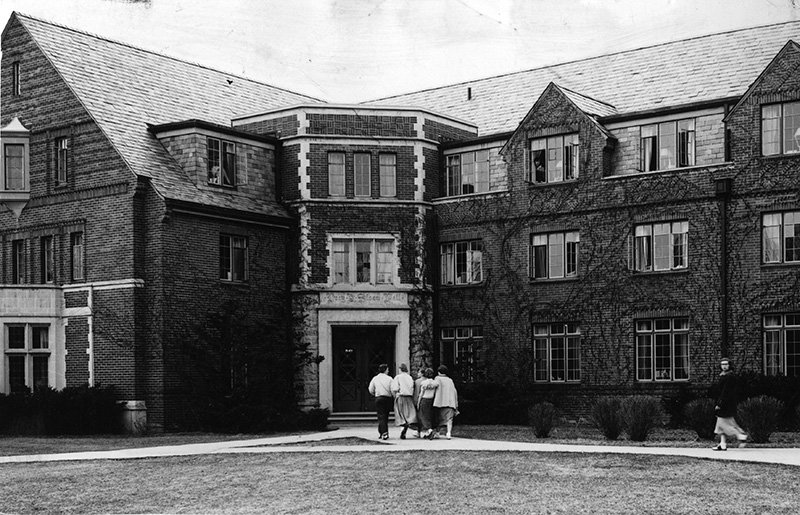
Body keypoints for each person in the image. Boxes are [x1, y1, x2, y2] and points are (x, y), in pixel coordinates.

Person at [713, 358, 748, 451]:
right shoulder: (723, 376)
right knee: (723, 425)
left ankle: (740, 436)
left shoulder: (730, 376)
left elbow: (725, 392)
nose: (724, 366)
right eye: (722, 364)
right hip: (725, 403)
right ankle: (722, 444)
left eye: (726, 364)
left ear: (729, 365)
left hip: (726, 404)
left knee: (723, 425)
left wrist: (720, 403)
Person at [368, 363, 394, 440]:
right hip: (387, 398)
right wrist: (393, 396)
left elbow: (370, 389)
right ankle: (384, 432)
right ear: (385, 370)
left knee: (381, 416)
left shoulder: (375, 378)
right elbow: (392, 389)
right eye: (388, 369)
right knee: (385, 416)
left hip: (379, 398)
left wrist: (375, 394)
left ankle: (382, 432)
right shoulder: (389, 379)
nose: (388, 371)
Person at [391, 363, 417, 439]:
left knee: (401, 414)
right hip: (409, 397)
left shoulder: (398, 377)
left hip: (401, 396)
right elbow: (412, 387)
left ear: (400, 369)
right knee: (408, 413)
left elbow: (395, 388)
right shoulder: (410, 377)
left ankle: (403, 428)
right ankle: (408, 425)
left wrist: (396, 394)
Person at [433, 365, 459, 440]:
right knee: (449, 419)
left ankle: (437, 432)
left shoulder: (437, 379)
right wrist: (456, 403)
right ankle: (449, 433)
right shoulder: (450, 380)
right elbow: (454, 391)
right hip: (450, 402)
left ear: (438, 372)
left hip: (440, 402)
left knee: (438, 418)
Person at [416, 368, 439, 439]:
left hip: (424, 399)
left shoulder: (423, 383)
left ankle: (429, 429)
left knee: (423, 416)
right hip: (432, 399)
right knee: (430, 415)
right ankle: (430, 431)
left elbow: (421, 394)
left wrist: (418, 402)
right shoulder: (435, 383)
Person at [412, 368, 426, 438]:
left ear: (422, 373)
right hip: (427, 400)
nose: (418, 374)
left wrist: (415, 401)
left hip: (418, 400)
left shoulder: (417, 381)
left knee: (418, 417)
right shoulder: (427, 380)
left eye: (419, 372)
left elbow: (416, 392)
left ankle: (418, 431)